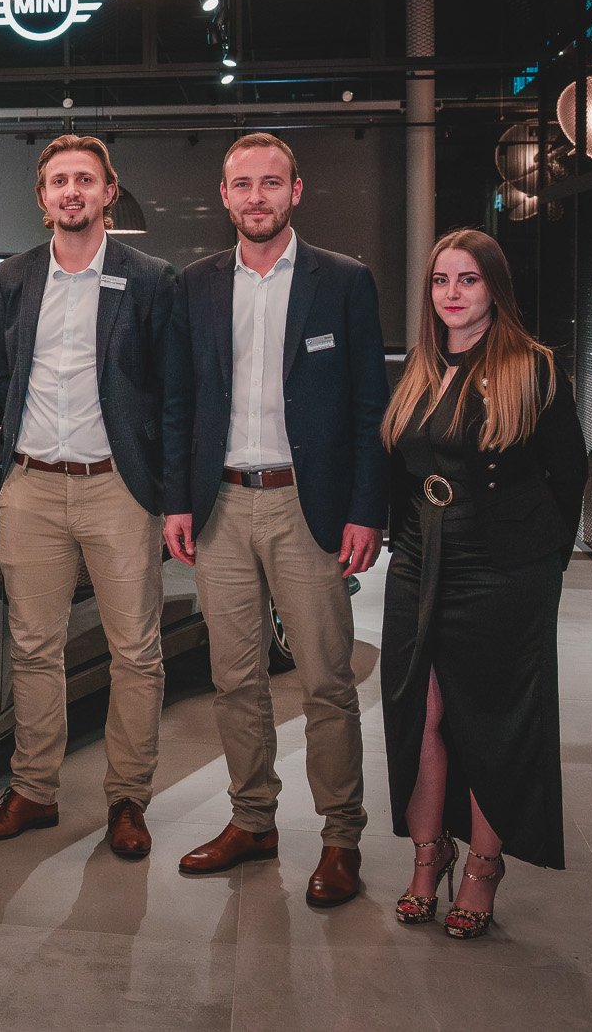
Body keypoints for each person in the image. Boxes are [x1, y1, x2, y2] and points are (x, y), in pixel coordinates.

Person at [163, 131, 388, 907]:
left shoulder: (344, 281)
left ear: (297, 190)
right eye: (242, 184)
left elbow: (371, 405)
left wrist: (366, 509)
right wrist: (177, 499)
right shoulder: (194, 285)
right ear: (224, 196)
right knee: (234, 680)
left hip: (308, 504)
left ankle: (340, 836)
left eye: (270, 182)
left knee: (326, 679)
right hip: (221, 505)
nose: (255, 196)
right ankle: (252, 819)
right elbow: (179, 402)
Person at [0, 135, 181, 859]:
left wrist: (164, 483)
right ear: (42, 197)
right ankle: (34, 789)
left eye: (85, 179)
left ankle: (128, 799)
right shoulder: (16, 276)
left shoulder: (149, 278)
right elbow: (3, 373)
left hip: (117, 486)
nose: (71, 191)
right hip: (31, 487)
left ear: (108, 192)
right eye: (59, 180)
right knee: (33, 648)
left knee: (136, 653)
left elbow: (169, 389)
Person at [380, 229, 587, 938]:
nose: (452, 293)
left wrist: (541, 563)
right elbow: (400, 472)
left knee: (490, 719)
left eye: (468, 279)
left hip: (502, 570)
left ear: (494, 289)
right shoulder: (418, 366)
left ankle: (483, 866)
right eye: (441, 280)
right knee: (422, 712)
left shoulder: (533, 367)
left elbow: (568, 473)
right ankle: (428, 853)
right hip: (419, 561)